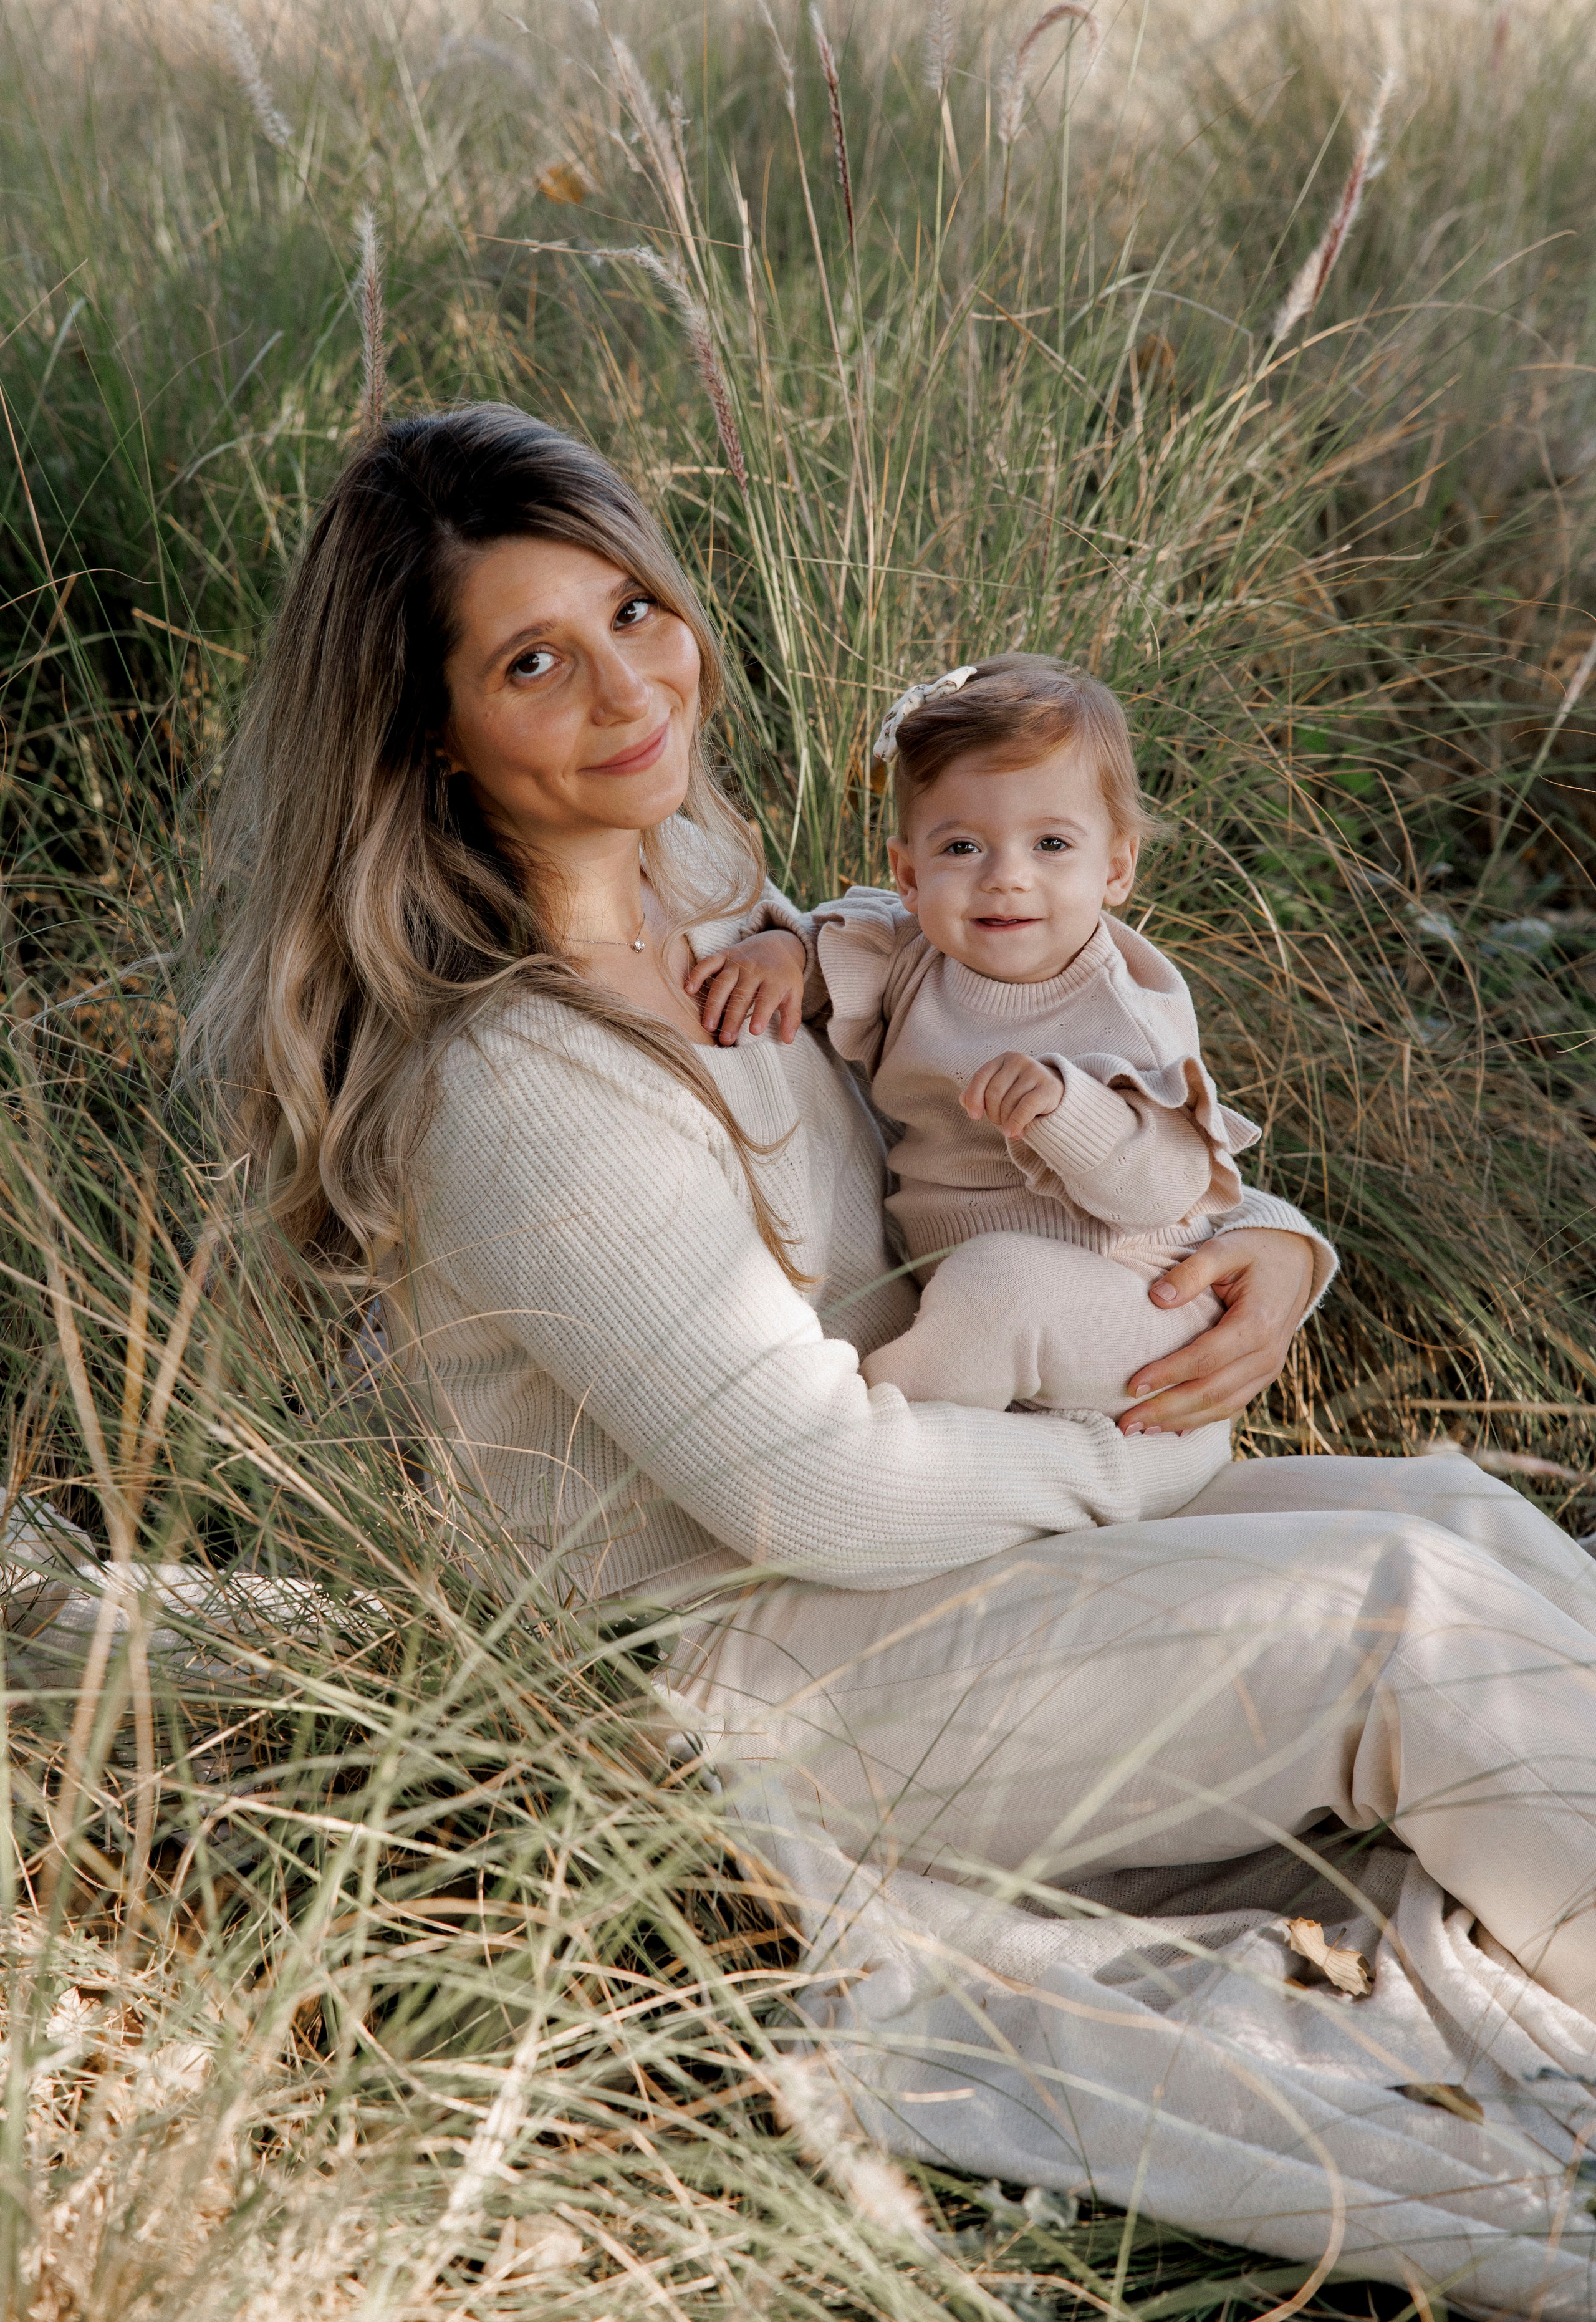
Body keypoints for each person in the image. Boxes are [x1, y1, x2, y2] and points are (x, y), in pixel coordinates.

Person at [187, 402, 1596, 2045]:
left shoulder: (703, 889)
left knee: (1459, 1516)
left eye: (633, 609)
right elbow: (817, 1491)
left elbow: (995, 1101)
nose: (632, 688)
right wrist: (1166, 1461)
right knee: (1403, 1628)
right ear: (427, 732)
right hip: (745, 1683)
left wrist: (1266, 1243)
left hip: (959, 1524)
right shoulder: (515, 1081)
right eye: (533, 664)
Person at [684, 652, 1266, 1511]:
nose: (1006, 875)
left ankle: (858, 1449)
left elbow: (1169, 1184)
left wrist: (1073, 1114)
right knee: (990, 1293)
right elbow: (835, 953)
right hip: (989, 1318)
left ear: (1117, 868)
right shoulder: (914, 951)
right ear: (911, 873)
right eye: (963, 846)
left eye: (1052, 844)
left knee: (1000, 1284)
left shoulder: (1128, 1009)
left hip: (1134, 1308)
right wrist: (782, 953)